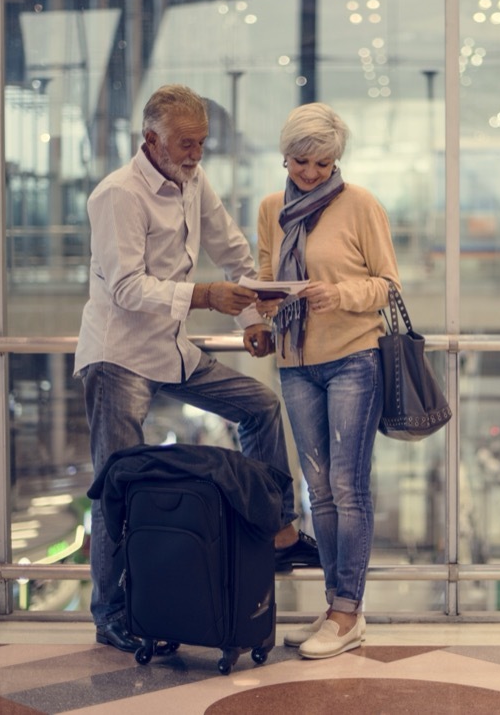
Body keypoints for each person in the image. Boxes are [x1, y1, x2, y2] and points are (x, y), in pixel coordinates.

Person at [74, 84, 320, 654]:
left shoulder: (193, 181)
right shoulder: (117, 195)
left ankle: (277, 529)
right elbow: (129, 288)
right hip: (118, 356)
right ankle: (110, 616)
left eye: (202, 143)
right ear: (150, 140)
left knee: (259, 406)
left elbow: (233, 249)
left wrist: (253, 319)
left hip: (170, 348)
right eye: (186, 143)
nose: (195, 153)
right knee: (114, 484)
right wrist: (208, 297)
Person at [255, 102, 401, 659]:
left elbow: (387, 285)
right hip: (295, 362)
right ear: (285, 156)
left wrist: (337, 293)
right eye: (300, 162)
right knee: (318, 493)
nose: (310, 173)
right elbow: (266, 276)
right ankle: (336, 606)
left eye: (322, 162)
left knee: (347, 487)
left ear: (337, 159)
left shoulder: (360, 205)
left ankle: (348, 611)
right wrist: (263, 307)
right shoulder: (273, 208)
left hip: (352, 359)